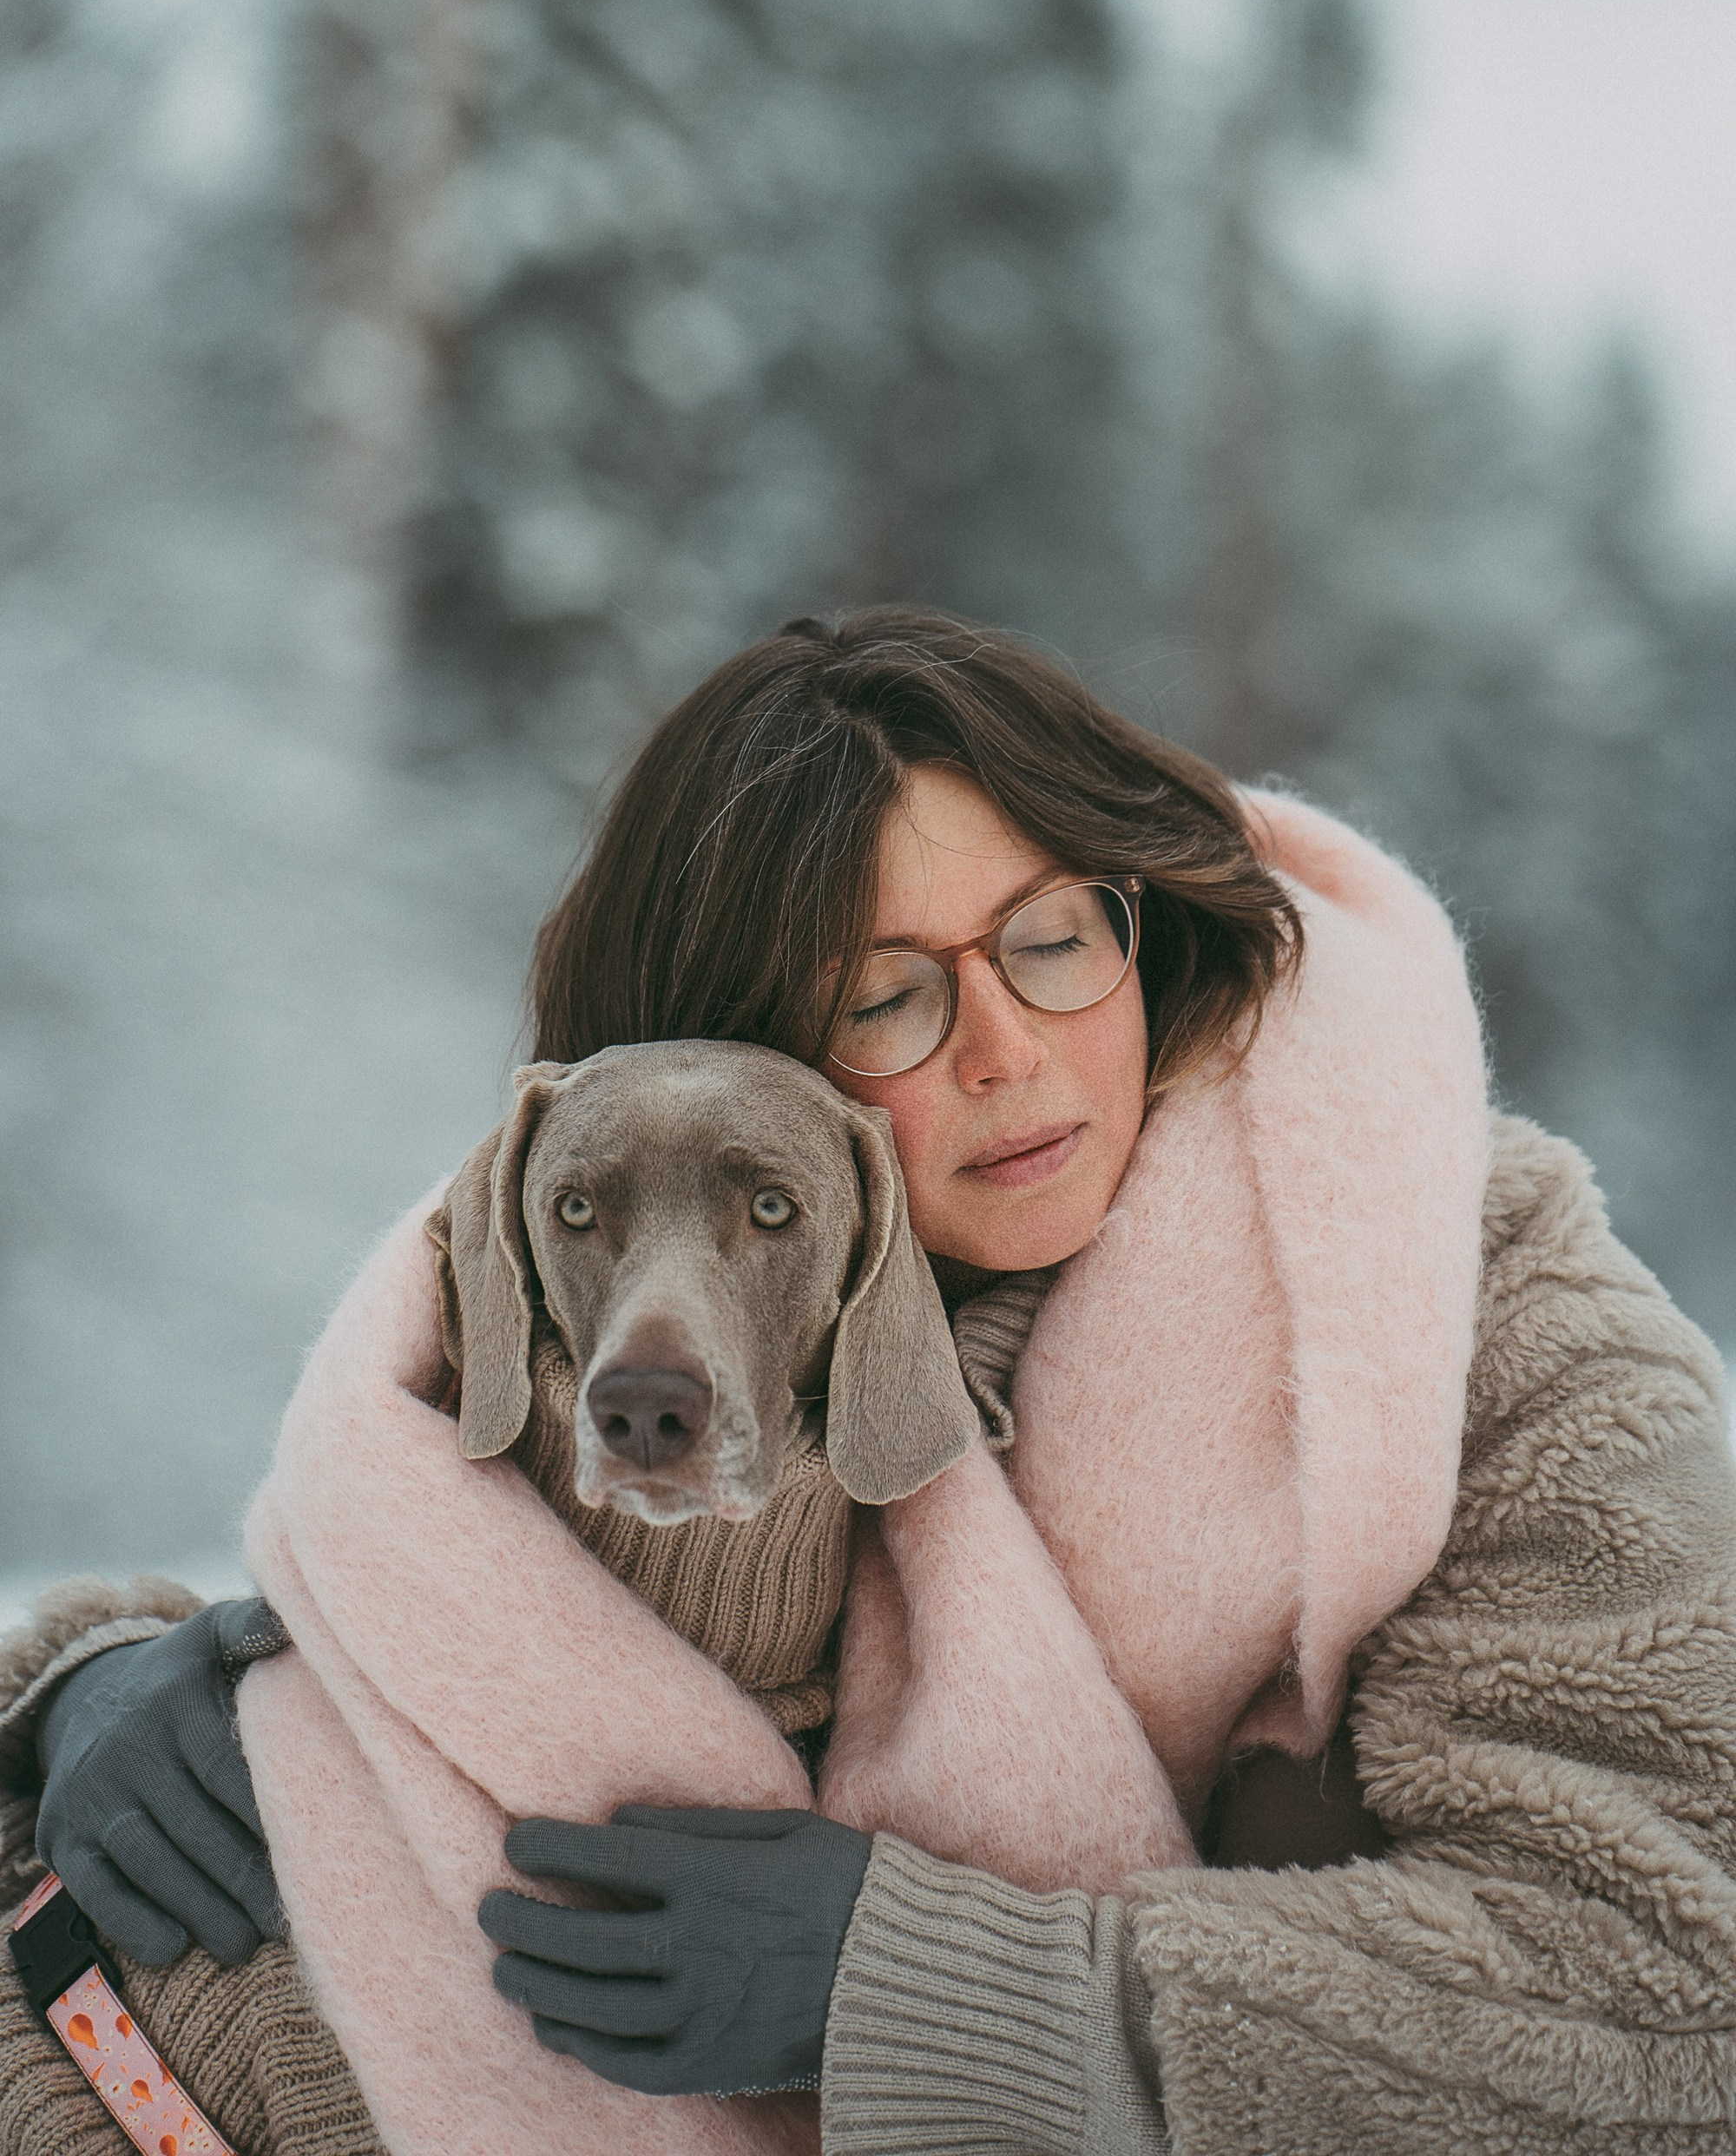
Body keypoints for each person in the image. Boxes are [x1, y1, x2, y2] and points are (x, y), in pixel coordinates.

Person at [6, 606, 1736, 2156]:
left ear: (1148, 920)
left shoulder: (1482, 1314)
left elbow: (1668, 1992)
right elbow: (456, 1617)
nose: (1005, 1047)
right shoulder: (645, 1295)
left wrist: (920, 1986)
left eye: (1053, 936)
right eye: (883, 998)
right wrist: (81, 1692)